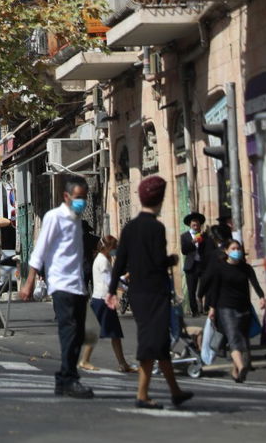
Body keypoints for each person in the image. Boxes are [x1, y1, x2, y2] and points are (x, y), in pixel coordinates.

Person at [108, 175, 193, 409]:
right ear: (159, 199)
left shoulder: (130, 228)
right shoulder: (156, 227)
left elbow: (120, 261)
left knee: (159, 342)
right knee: (151, 342)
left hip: (137, 293)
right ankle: (142, 395)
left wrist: (111, 289)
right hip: (155, 293)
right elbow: (157, 261)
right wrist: (171, 260)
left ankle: (175, 392)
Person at [19, 174, 93, 399]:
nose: (82, 201)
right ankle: (70, 379)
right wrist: (29, 282)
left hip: (78, 285)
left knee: (79, 334)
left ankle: (63, 378)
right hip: (61, 285)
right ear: (66, 196)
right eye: (78, 197)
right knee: (69, 332)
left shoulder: (77, 220)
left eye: (85, 198)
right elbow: (39, 250)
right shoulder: (55, 217)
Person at [200, 238, 265, 382]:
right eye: (233, 249)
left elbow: (255, 284)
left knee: (242, 339)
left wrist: (261, 297)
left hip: (244, 308)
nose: (237, 251)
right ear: (226, 251)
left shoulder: (246, 268)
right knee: (234, 337)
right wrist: (212, 308)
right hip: (225, 308)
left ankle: (236, 371)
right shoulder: (220, 268)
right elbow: (214, 290)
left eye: (239, 249)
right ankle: (242, 366)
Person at [79, 235, 134, 374]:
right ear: (108, 247)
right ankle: (85, 360)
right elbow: (109, 281)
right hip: (102, 300)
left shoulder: (102, 259)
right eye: (114, 247)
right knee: (99, 333)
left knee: (115, 333)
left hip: (103, 299)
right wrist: (126, 278)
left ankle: (122, 363)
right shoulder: (102, 261)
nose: (115, 250)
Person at [180, 212, 207, 316]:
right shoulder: (185, 236)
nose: (195, 224)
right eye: (193, 222)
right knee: (192, 289)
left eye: (197, 222)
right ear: (190, 224)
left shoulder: (204, 235)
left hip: (202, 265)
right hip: (191, 266)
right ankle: (195, 311)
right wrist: (193, 242)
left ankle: (206, 308)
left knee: (206, 286)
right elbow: (184, 250)